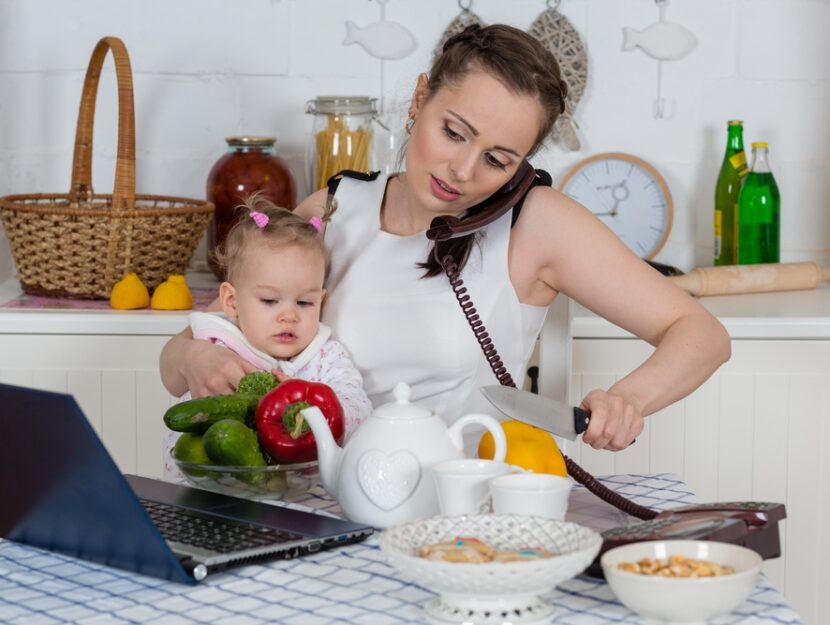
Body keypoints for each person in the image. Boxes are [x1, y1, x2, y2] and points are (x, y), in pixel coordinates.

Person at [161, 24, 730, 453]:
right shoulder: (335, 207)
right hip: (323, 499)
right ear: (418, 100)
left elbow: (700, 333)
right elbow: (180, 356)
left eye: (497, 159)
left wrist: (627, 399)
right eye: (453, 132)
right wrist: (193, 356)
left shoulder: (537, 223)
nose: (461, 170)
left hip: (461, 511)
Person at [164, 195, 371, 479]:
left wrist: (315, 406)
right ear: (231, 301)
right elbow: (188, 419)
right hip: (210, 492)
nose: (289, 315)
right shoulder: (217, 346)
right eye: (270, 300)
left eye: (304, 303)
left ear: (321, 301)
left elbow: (359, 411)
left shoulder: (326, 357)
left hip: (303, 498)